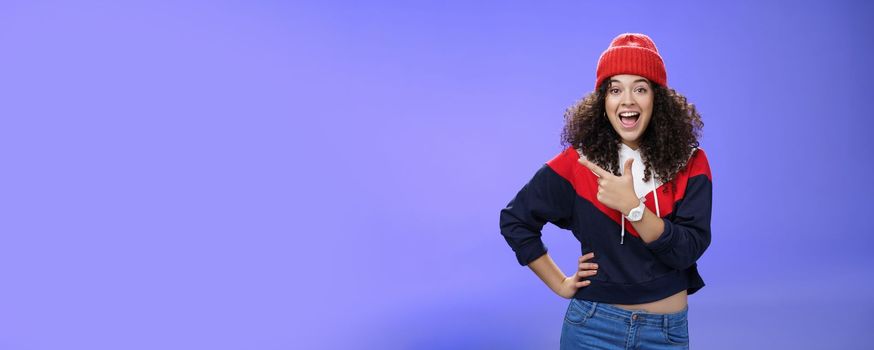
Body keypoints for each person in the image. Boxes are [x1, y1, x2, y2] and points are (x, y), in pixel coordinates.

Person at [498, 33, 711, 349]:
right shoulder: (579, 163)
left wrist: (634, 208)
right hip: (592, 329)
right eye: (615, 89)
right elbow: (515, 221)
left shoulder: (691, 162)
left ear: (657, 99)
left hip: (665, 334)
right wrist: (560, 283)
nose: (627, 100)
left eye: (640, 88)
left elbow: (687, 250)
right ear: (603, 102)